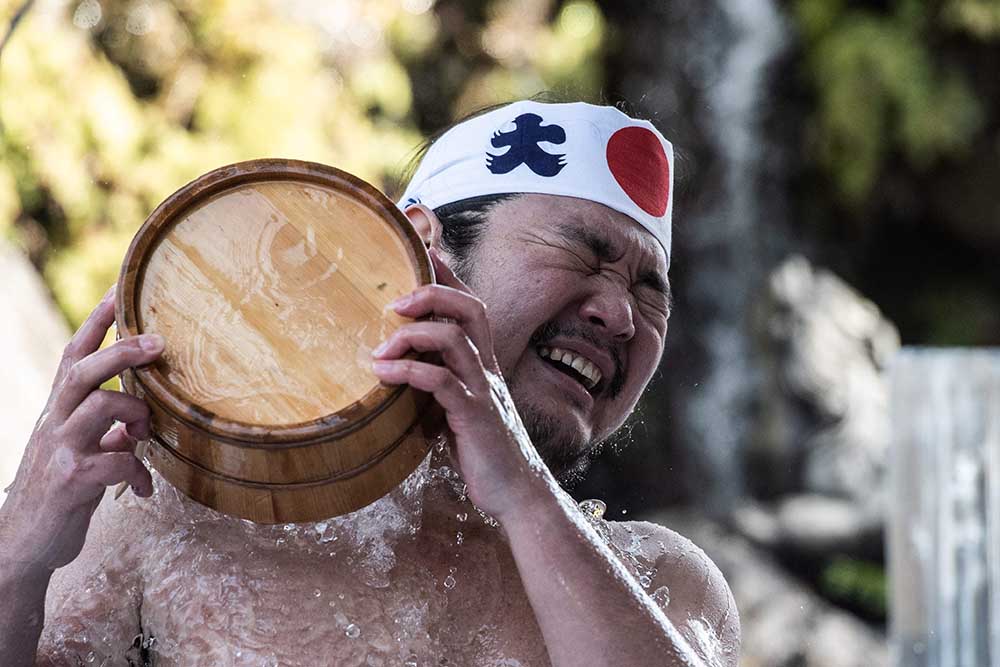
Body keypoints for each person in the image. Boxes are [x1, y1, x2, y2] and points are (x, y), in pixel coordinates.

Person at [0, 100, 740, 666]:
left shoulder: (665, 584)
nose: (620, 314)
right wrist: (20, 552)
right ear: (419, 241)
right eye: (583, 252)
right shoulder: (169, 515)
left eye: (652, 292)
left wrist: (519, 488)